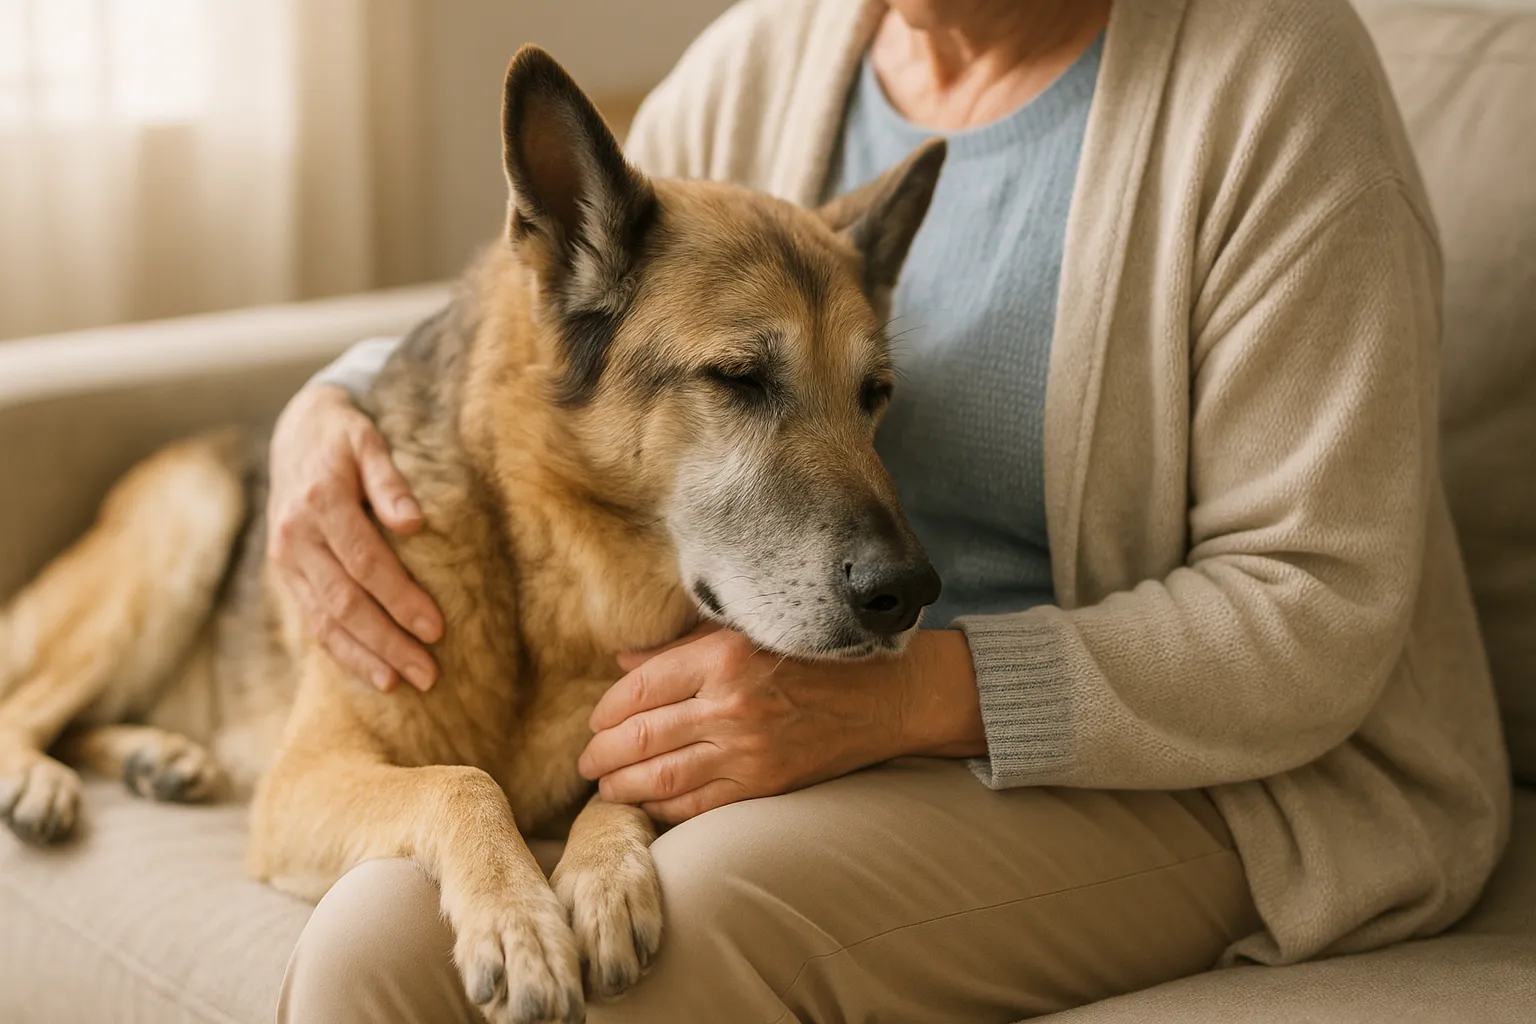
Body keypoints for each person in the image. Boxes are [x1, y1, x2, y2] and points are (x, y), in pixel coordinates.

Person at [268, 0, 1510, 1020]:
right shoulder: (772, 54)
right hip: (800, 715)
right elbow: (564, 302)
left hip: (1223, 769)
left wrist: (905, 697)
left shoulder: (1273, 85)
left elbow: (1320, 610)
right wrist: (326, 407)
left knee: (663, 955)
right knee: (373, 940)